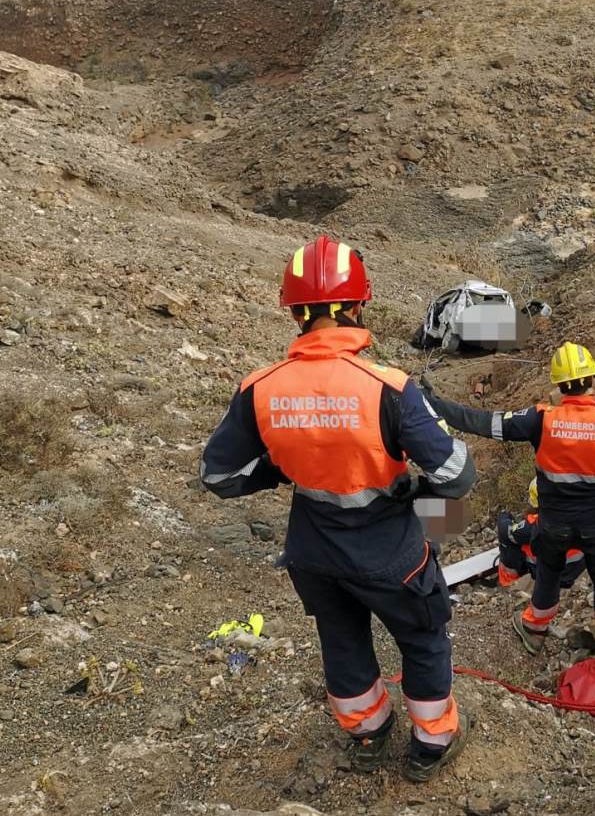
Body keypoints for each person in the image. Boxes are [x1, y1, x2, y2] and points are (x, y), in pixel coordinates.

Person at [200, 235, 475, 783]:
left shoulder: (259, 389)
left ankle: (368, 734)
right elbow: (455, 475)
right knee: (422, 637)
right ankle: (431, 743)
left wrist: (283, 466)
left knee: (342, 640)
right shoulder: (389, 387)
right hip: (391, 556)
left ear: (295, 311)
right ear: (356, 305)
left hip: (313, 554)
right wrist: (410, 493)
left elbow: (219, 476)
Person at [425, 343, 595, 654]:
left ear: (558, 384)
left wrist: (431, 404)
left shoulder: (541, 419)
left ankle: (535, 627)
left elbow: (482, 422)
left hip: (553, 524)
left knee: (548, 574)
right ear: (592, 378)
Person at [496, 477, 587, 588]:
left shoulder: (536, 523)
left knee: (512, 543)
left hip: (556, 579)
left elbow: (508, 532)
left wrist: (504, 517)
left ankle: (508, 583)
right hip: (581, 570)